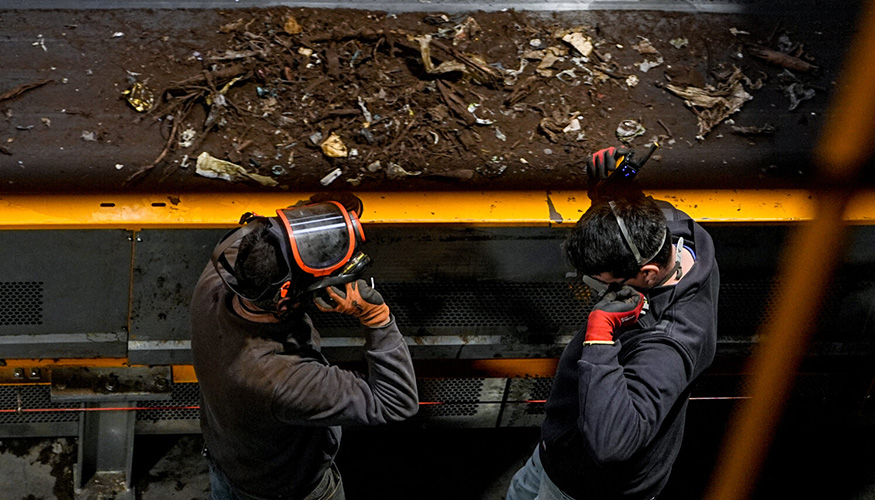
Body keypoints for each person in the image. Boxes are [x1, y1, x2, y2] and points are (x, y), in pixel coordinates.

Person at [506, 146, 719, 500]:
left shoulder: (666, 344)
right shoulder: (680, 233)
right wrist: (614, 200)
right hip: (558, 451)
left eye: (601, 283)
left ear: (647, 275)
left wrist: (601, 336)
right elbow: (639, 219)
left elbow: (613, 445)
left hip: (589, 487)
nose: (597, 291)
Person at [190, 195, 418, 500]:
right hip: (285, 492)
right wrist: (376, 318)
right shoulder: (280, 378)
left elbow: (258, 235)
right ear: (285, 299)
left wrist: (305, 220)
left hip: (231, 464)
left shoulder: (216, 285)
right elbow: (396, 402)